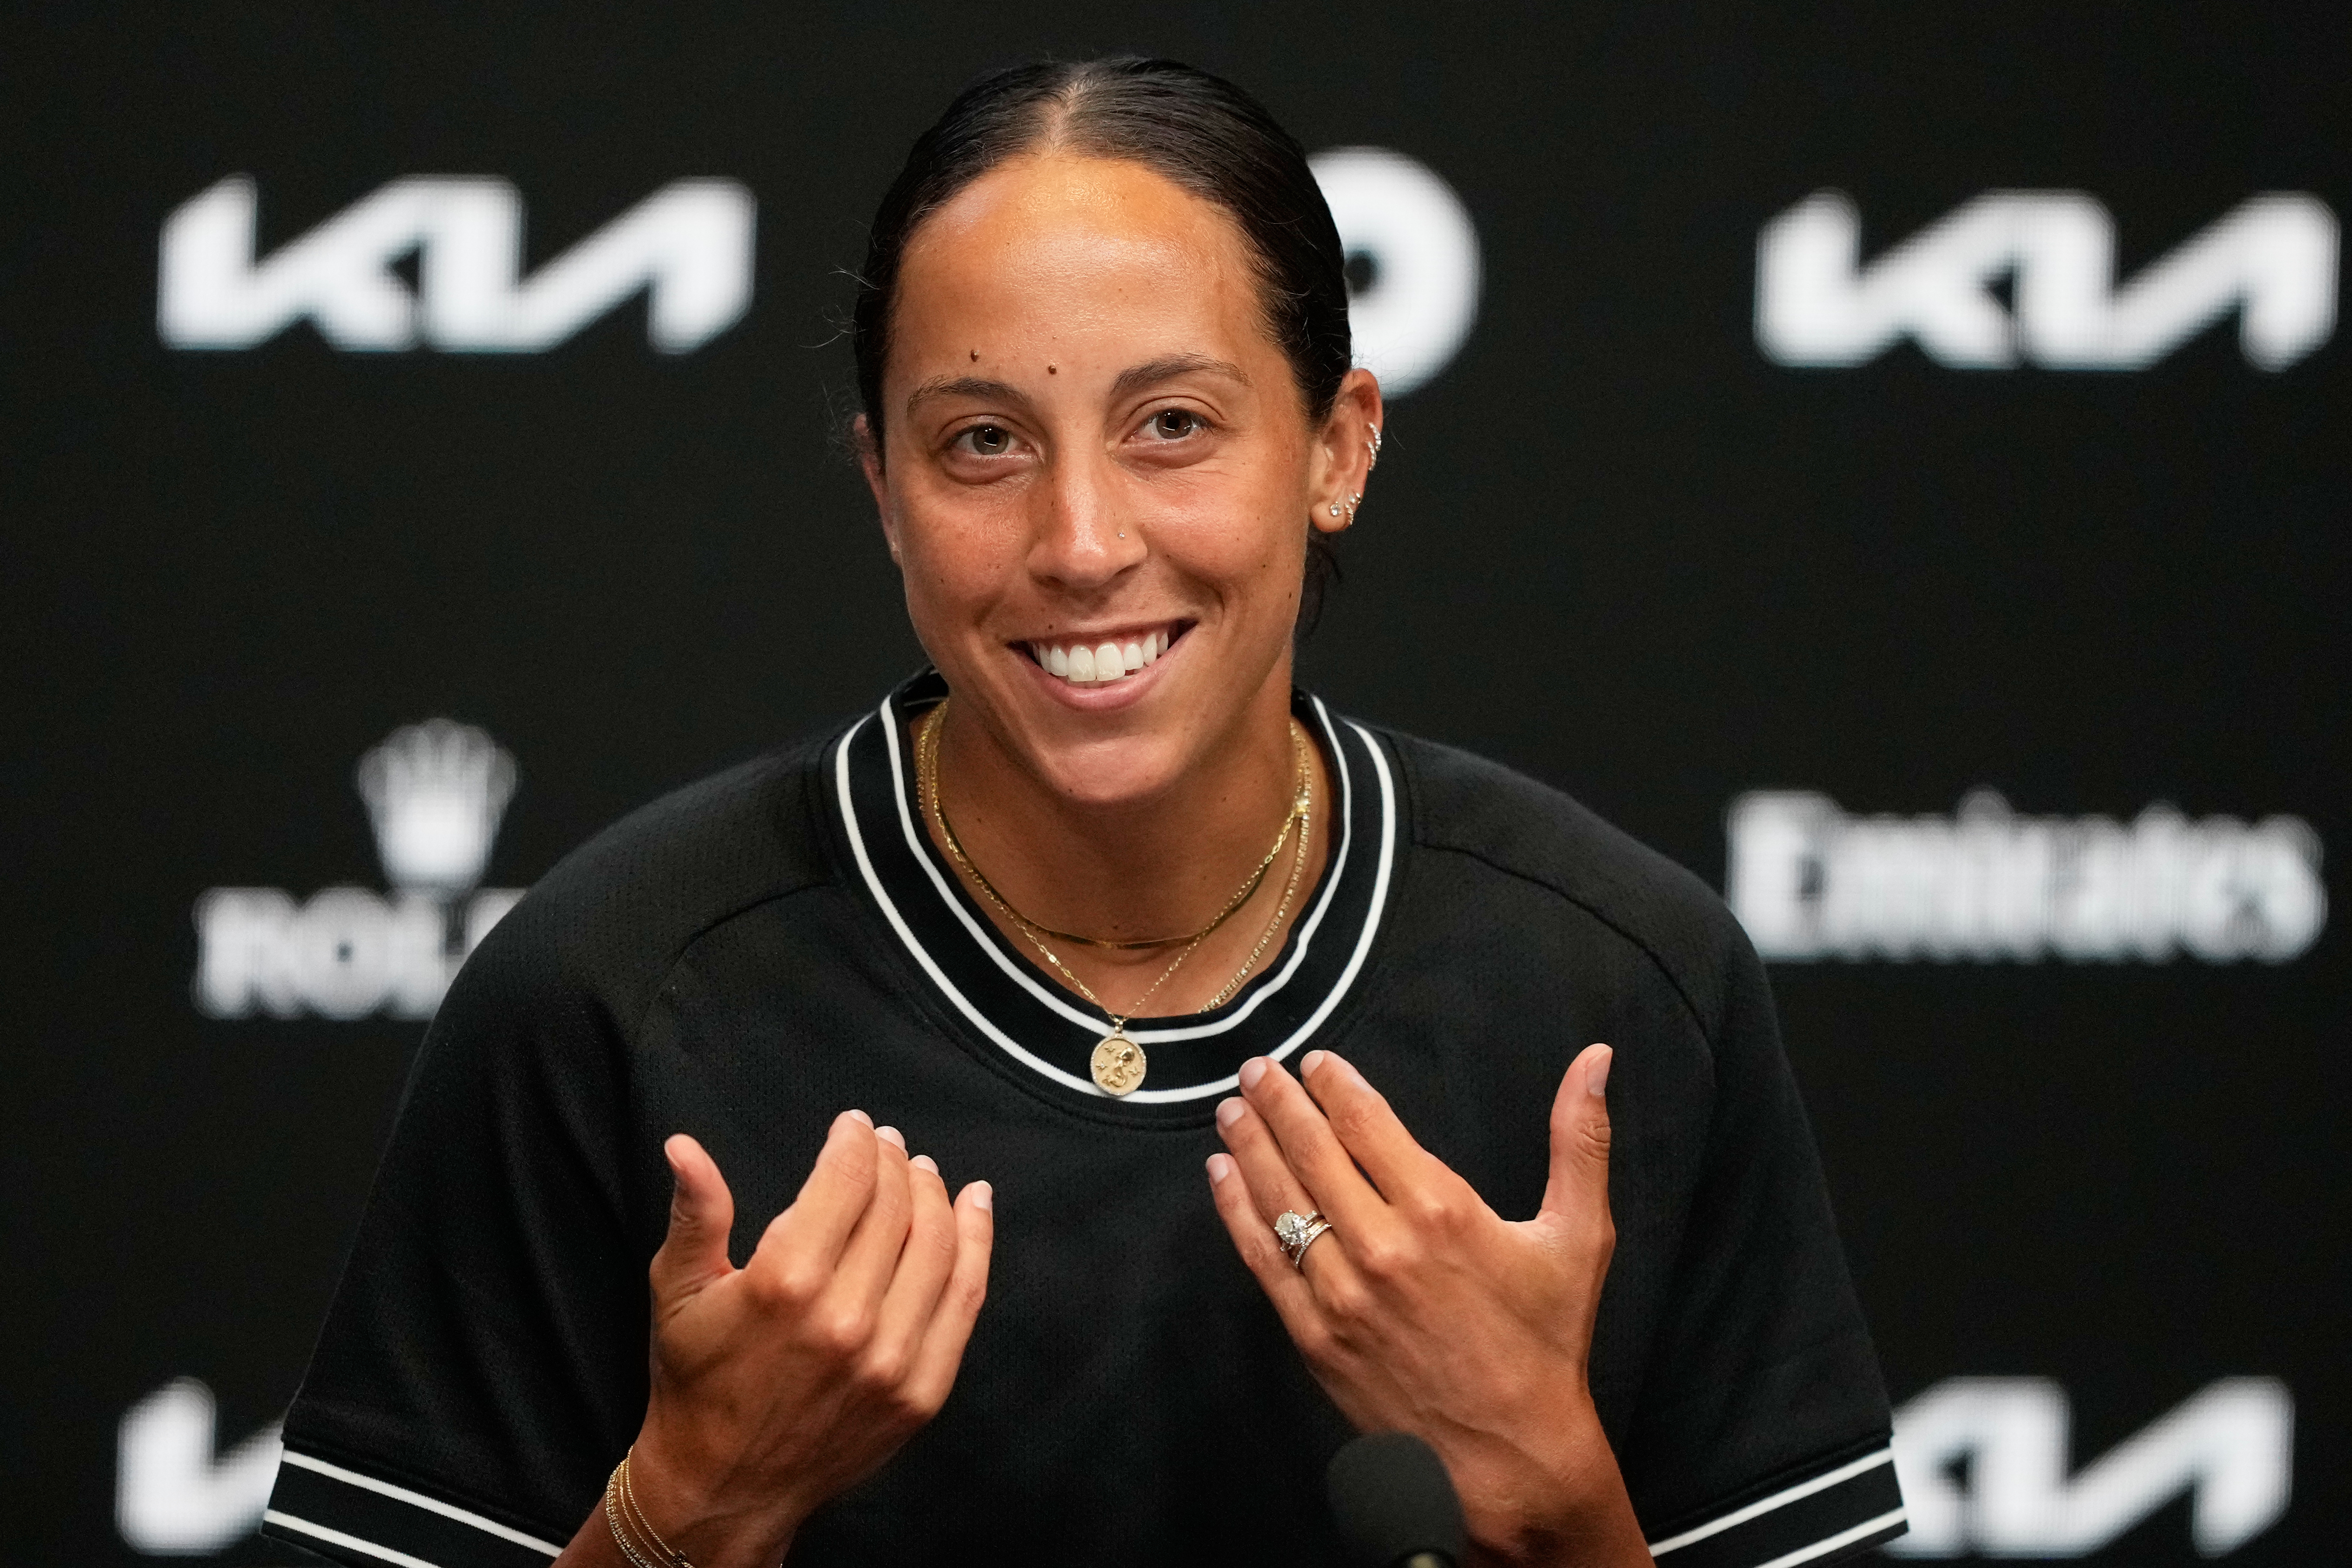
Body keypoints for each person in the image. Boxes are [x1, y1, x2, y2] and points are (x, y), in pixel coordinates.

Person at [260, 57, 1905, 1568]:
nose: (1079, 540)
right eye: (982, 442)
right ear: (881, 491)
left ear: (1336, 447)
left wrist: (1551, 1488)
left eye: (1172, 425)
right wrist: (692, 1504)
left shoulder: (1621, 983)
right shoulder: (612, 987)